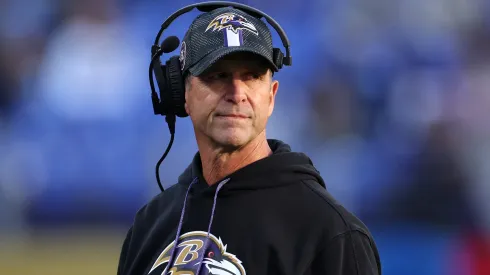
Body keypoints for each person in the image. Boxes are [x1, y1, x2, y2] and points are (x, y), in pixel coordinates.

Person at [117, 5, 381, 275]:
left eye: (252, 76)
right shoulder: (149, 226)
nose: (237, 93)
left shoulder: (329, 232)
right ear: (181, 92)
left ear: (271, 96)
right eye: (218, 75)